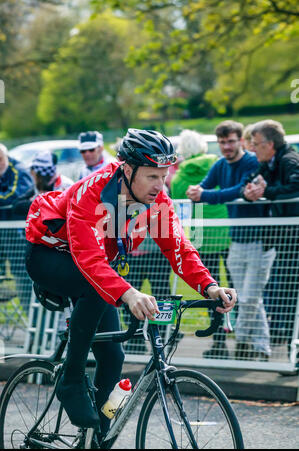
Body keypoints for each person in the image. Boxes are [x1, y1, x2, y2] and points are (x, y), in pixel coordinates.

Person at [25, 128, 236, 433]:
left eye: (163, 176)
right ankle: (70, 380)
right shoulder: (91, 193)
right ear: (127, 169)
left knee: (113, 356)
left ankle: (100, 432)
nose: (159, 185)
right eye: (152, 176)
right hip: (48, 253)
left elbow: (178, 247)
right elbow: (90, 261)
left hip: (91, 266)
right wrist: (128, 293)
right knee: (98, 290)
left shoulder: (158, 201)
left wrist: (210, 286)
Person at [186, 120, 275, 361]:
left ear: (241, 142)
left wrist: (205, 195)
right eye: (222, 142)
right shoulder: (219, 165)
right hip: (235, 239)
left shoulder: (251, 162)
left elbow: (239, 190)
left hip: (259, 239)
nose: (226, 146)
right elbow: (203, 189)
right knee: (245, 297)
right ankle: (259, 348)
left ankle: (247, 345)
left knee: (249, 298)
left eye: (231, 141)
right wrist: (197, 192)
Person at [171, 130, 232, 358]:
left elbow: (177, 200)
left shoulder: (180, 177)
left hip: (201, 237)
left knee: (210, 289)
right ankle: (243, 338)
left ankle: (219, 342)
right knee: (234, 289)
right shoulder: (220, 166)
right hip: (227, 232)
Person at [242, 119, 299, 354]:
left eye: (256, 144)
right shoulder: (268, 162)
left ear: (270, 144)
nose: (253, 149)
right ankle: (289, 350)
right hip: (285, 240)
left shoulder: (289, 160)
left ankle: (290, 350)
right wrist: (250, 192)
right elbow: (252, 181)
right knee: (285, 291)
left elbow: (296, 187)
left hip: (292, 238)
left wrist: (266, 191)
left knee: (290, 293)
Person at [0, 143, 34, 315]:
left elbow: (14, 195)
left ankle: (33, 320)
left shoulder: (18, 170)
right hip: (3, 233)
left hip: (18, 236)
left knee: (23, 276)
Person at [12, 150, 74, 218]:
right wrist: (40, 203)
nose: (31, 173)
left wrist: (36, 202)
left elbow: (57, 211)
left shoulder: (66, 186)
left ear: (40, 175)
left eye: (33, 170)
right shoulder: (38, 186)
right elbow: (16, 205)